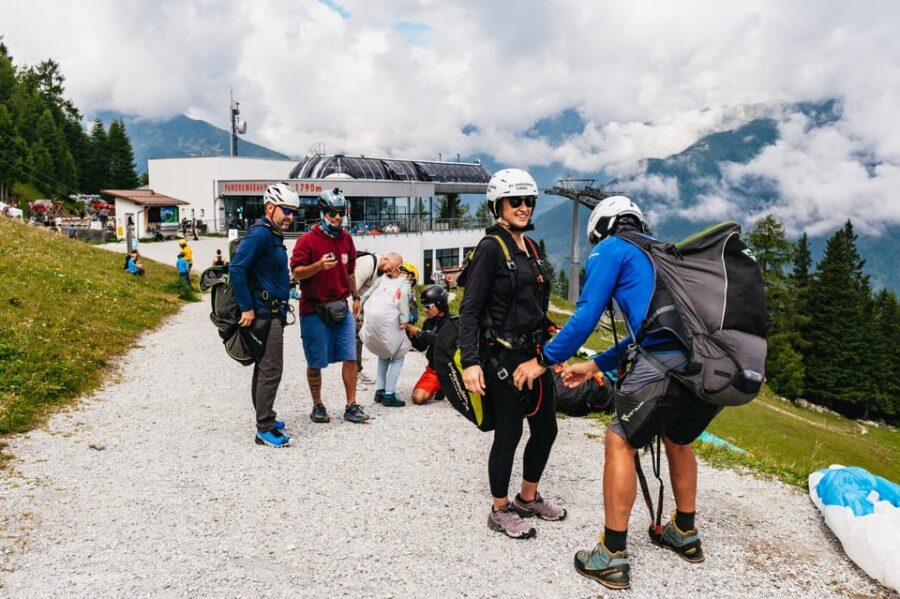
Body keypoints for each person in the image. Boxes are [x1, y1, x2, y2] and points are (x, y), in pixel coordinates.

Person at [514, 195, 716, 590]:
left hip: (664, 362)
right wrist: (593, 365)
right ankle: (685, 534)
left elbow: (586, 315)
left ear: (602, 228)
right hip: (708, 366)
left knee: (620, 440)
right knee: (678, 438)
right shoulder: (664, 254)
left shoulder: (611, 248)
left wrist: (544, 359)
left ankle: (611, 554)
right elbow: (655, 330)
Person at [458, 168, 565, 540]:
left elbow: (533, 305)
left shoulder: (531, 249)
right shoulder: (491, 249)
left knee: (546, 429)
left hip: (533, 357)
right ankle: (499, 508)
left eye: (529, 201)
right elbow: (469, 308)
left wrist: (553, 341)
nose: (523, 207)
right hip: (500, 358)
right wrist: (470, 361)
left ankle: (528, 498)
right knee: (508, 433)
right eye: (515, 201)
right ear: (498, 205)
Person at [229, 183, 299, 448]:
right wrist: (247, 307)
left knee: (264, 368)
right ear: (270, 207)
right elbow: (237, 268)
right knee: (272, 369)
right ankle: (265, 428)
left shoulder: (272, 234)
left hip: (273, 311)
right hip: (263, 314)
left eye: (293, 212)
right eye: (286, 211)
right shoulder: (261, 234)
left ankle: (265, 417)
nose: (290, 217)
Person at [290, 188, 368, 424]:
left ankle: (351, 405)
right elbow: (296, 272)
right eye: (332, 213)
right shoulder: (307, 240)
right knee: (315, 362)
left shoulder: (346, 239)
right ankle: (318, 405)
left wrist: (355, 298)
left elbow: (351, 272)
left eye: (340, 213)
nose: (337, 218)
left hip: (340, 306)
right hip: (313, 308)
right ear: (322, 212)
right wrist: (318, 266)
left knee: (350, 357)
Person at [359, 261, 412, 407]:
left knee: (383, 356)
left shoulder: (381, 280)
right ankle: (389, 394)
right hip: (390, 326)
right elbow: (403, 302)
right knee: (398, 357)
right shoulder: (404, 285)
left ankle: (379, 391)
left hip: (374, 323)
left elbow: (366, 296)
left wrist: (362, 312)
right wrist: (405, 320)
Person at [354, 252, 404, 388]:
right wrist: (354, 313)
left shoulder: (383, 272)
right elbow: (351, 288)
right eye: (388, 268)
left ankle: (357, 370)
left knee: (360, 339)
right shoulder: (368, 264)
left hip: (363, 308)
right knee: (355, 338)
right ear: (385, 258)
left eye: (391, 270)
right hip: (351, 305)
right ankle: (354, 375)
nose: (388, 271)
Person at [403, 285, 451, 404]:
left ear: (439, 304)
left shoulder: (453, 322)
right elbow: (422, 347)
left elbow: (442, 341)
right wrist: (410, 334)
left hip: (451, 370)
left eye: (428, 306)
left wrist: (419, 332)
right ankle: (439, 386)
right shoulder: (428, 323)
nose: (425, 310)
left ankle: (444, 386)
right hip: (434, 369)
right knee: (417, 398)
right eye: (424, 307)